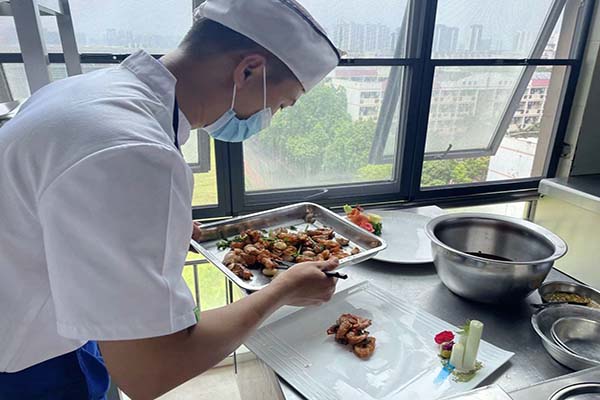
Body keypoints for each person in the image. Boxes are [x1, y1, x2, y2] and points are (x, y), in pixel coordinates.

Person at [0, 0, 341, 398]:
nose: (270, 118)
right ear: (249, 70)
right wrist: (281, 291)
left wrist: (160, 234)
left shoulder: (91, 92)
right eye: (281, 105)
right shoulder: (133, 150)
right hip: (28, 366)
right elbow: (150, 371)